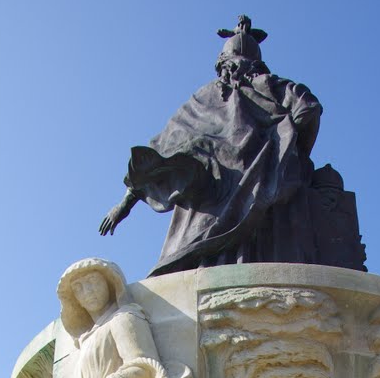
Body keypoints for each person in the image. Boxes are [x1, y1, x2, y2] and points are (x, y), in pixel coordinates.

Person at [99, 16, 326, 275]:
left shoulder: (208, 95)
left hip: (216, 204)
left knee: (198, 262)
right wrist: (292, 155)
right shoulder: (266, 85)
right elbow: (308, 110)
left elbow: (161, 154)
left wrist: (124, 204)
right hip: (259, 194)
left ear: (222, 63)